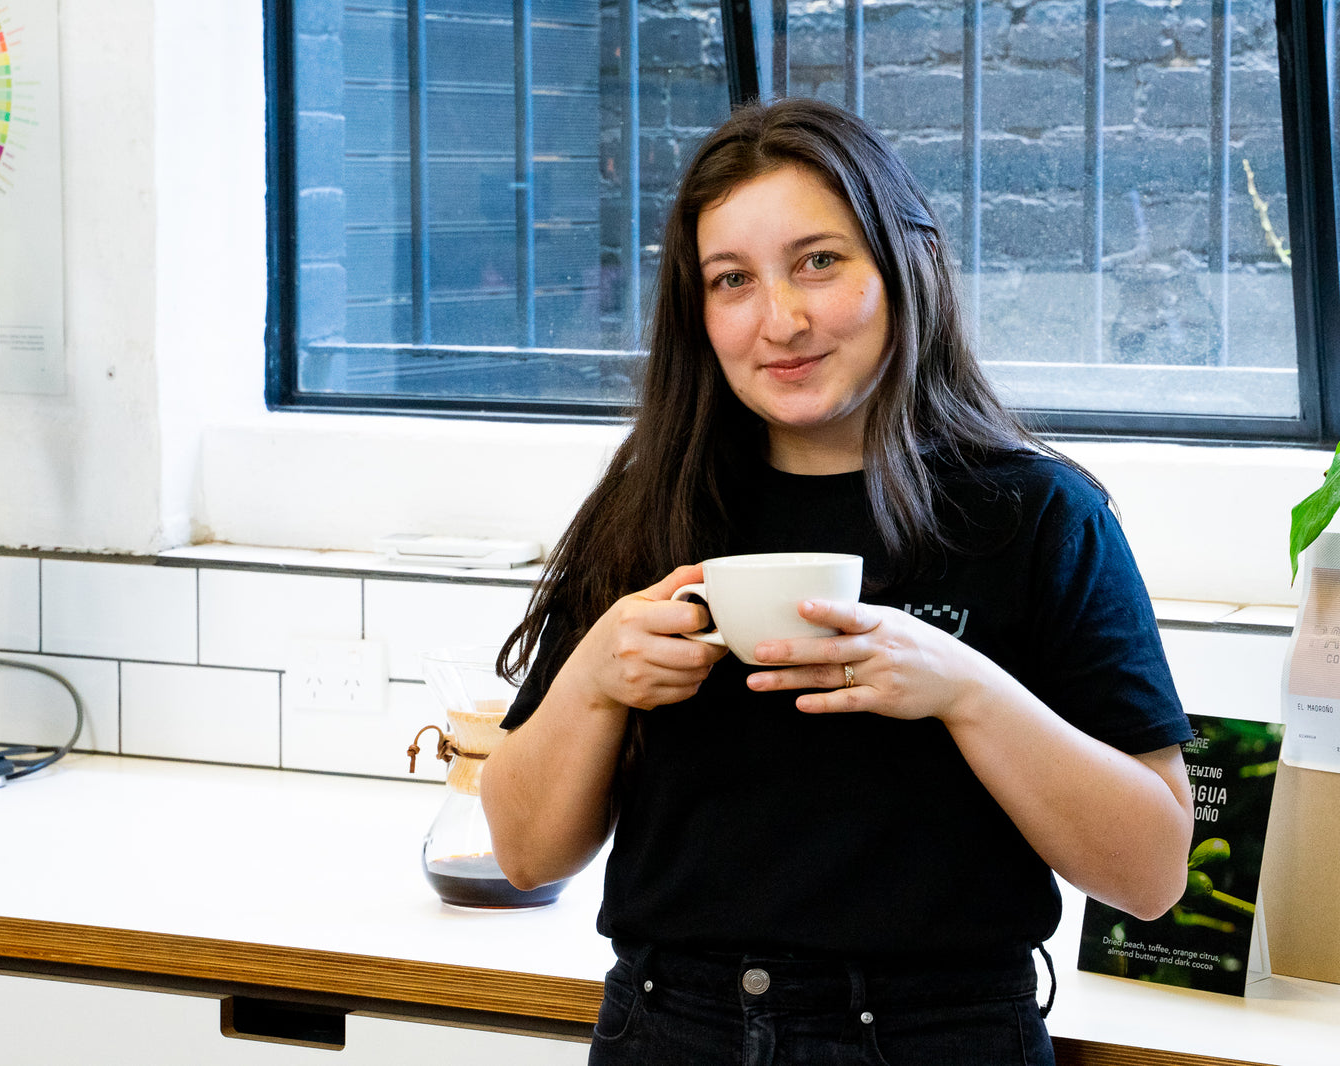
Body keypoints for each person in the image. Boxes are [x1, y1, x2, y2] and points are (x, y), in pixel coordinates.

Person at [479, 96, 1195, 1066]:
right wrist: (595, 676)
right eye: (731, 280)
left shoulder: (1036, 514)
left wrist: (964, 690)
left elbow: (1150, 870)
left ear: (903, 266)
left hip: (937, 1034)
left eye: (818, 261)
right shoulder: (648, 508)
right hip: (670, 1025)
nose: (781, 318)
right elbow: (524, 852)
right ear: (696, 313)